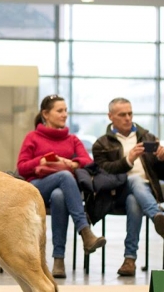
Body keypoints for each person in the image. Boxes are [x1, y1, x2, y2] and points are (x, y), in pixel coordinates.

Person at [17, 94, 106, 278]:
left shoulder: (72, 139)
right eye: (59, 111)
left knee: (59, 196)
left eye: (65, 110)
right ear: (45, 114)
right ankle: (85, 231)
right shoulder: (32, 137)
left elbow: (87, 161)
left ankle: (58, 260)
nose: (65, 114)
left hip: (63, 191)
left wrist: (71, 163)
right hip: (37, 188)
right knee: (64, 176)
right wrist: (40, 160)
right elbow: (22, 167)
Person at [92, 97, 164, 276]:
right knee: (133, 180)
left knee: (135, 200)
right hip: (116, 193)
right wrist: (128, 160)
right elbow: (104, 171)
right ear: (110, 116)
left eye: (130, 113)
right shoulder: (101, 144)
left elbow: (161, 174)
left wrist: (163, 159)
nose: (128, 118)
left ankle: (129, 259)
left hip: (146, 193)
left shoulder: (148, 137)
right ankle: (157, 215)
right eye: (122, 114)